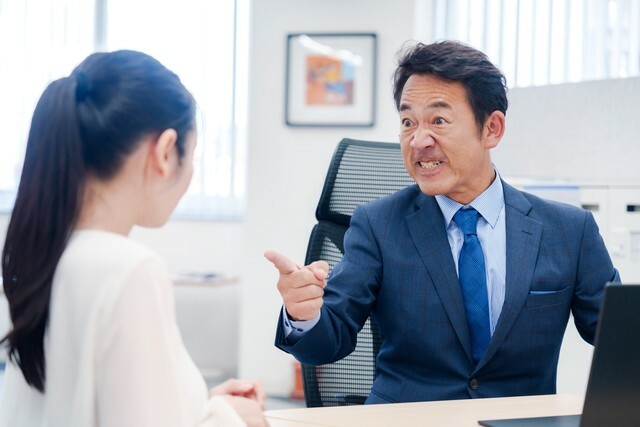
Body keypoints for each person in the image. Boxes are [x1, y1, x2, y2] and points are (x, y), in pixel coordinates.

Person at [265, 40, 620, 404]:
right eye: (407, 122)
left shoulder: (568, 231)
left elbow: (621, 339)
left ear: (492, 129)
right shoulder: (378, 225)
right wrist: (303, 314)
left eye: (438, 120)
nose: (419, 141)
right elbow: (328, 340)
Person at [0, 50, 267, 426]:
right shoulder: (129, 269)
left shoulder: (42, 253)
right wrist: (234, 419)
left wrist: (198, 405)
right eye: (191, 155)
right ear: (163, 152)